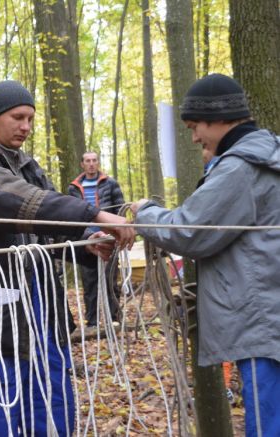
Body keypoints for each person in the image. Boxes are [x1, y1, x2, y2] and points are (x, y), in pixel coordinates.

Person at [0, 80, 135, 436]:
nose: (26, 127)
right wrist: (96, 216)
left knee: (51, 409)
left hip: (43, 313)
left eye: (31, 119)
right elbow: (21, 200)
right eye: (18, 117)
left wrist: (86, 242)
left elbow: (51, 227)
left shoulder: (30, 167)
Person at [131, 73, 280, 437]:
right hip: (272, 313)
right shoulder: (268, 156)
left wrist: (144, 212)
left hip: (263, 321)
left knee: (267, 424)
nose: (195, 137)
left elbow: (190, 230)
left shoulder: (241, 167)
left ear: (220, 118)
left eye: (196, 126)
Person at [68, 151, 125, 326]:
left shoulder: (111, 183)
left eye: (94, 160)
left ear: (98, 163)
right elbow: (71, 213)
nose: (91, 164)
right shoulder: (74, 188)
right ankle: (92, 321)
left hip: (108, 238)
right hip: (86, 240)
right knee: (90, 283)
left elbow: (120, 209)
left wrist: (118, 231)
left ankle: (113, 318)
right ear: (82, 164)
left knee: (111, 280)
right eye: (87, 161)